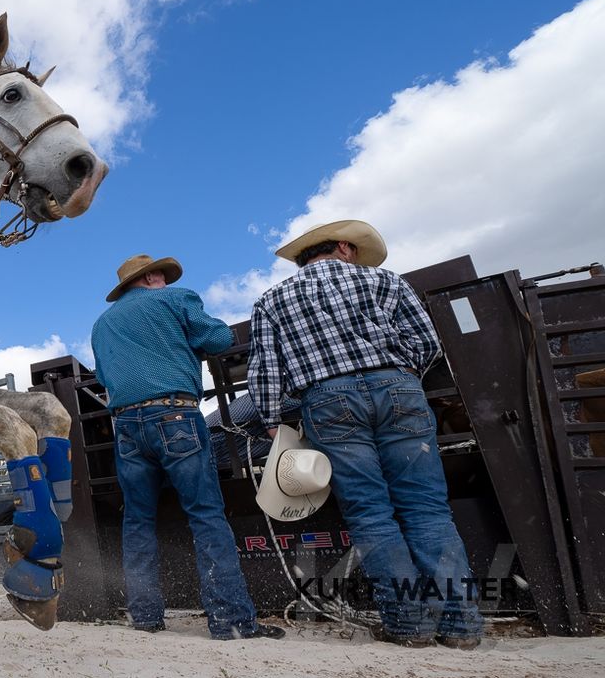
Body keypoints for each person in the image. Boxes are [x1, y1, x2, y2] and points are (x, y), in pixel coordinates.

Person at [246, 219, 484, 649]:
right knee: (428, 510)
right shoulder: (384, 281)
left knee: (371, 514)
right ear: (343, 247)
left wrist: (270, 417)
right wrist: (401, 371)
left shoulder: (271, 300)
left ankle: (410, 624)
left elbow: (264, 369)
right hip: (398, 390)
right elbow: (427, 341)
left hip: (327, 400)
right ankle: (461, 623)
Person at [91, 254, 284, 639]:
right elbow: (218, 338)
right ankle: (230, 619)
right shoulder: (175, 298)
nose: (163, 277)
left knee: (138, 522)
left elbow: (102, 374)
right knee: (206, 514)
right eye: (160, 273)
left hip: (126, 425)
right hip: (175, 415)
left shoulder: (102, 324)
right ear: (151, 277)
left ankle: (145, 617)